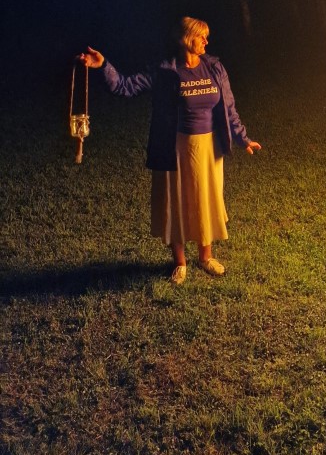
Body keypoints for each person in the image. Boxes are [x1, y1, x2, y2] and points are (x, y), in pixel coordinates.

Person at [79, 16, 261, 285]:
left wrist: (243, 138)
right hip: (174, 147)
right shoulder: (165, 71)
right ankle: (180, 262)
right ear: (186, 39)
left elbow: (228, 107)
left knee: (206, 200)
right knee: (176, 201)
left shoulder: (214, 68)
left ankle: (205, 257)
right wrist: (103, 65)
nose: (206, 41)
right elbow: (125, 86)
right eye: (201, 36)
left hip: (209, 149)